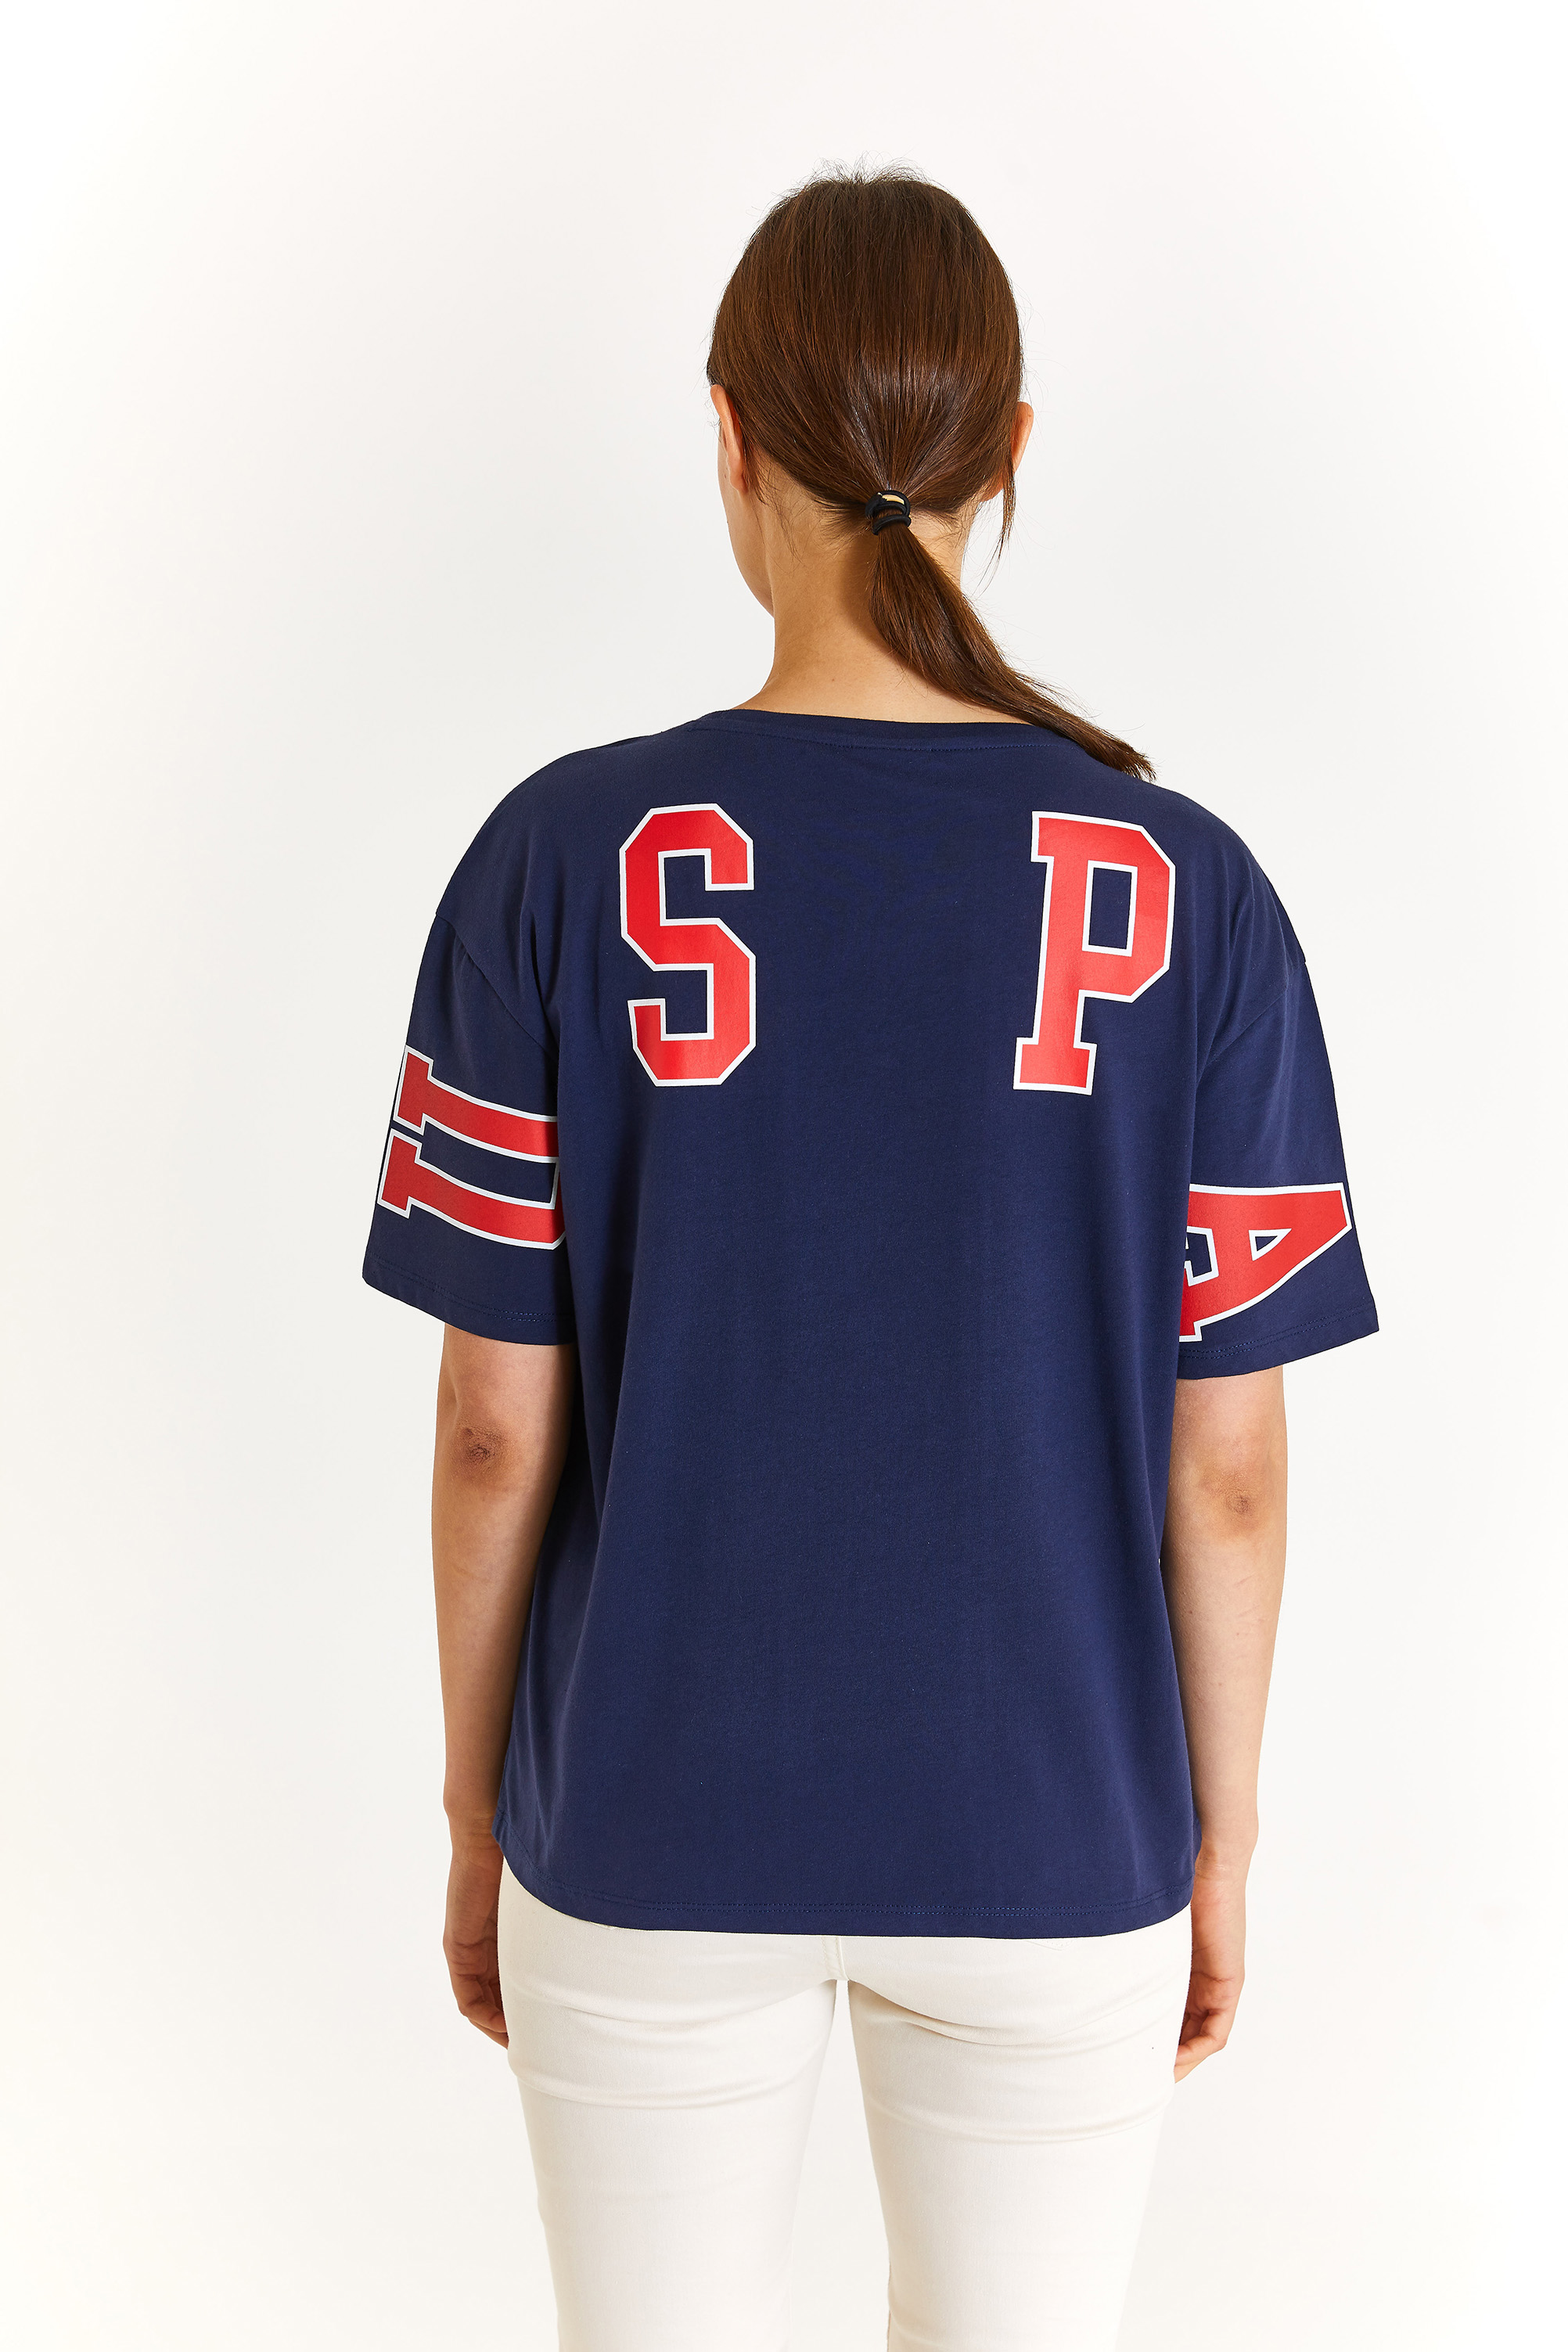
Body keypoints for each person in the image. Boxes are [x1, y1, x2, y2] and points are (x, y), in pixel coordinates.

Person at [362, 167, 1377, 2352]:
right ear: (1009, 452)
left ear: (726, 437)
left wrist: (475, 1809)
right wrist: (1218, 1837)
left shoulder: (558, 856)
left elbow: (488, 1430)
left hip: (644, 1814)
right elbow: (1226, 1469)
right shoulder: (1190, 889)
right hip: (1058, 1824)